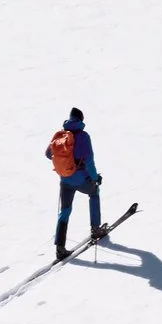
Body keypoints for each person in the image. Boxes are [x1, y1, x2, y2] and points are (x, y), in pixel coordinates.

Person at [47, 107, 104, 256]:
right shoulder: (84, 137)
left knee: (65, 211)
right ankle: (95, 229)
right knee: (94, 193)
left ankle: (59, 247)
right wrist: (95, 178)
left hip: (65, 179)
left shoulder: (61, 135)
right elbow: (89, 162)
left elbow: (48, 154)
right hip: (81, 179)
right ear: (81, 120)